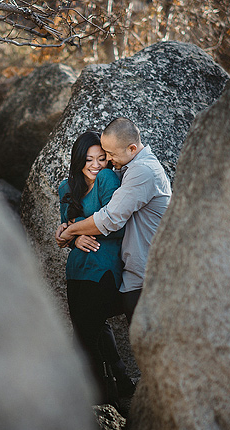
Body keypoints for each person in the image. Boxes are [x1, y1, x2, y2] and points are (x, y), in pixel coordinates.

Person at [56, 117, 171, 323]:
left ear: (132, 148)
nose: (107, 160)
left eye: (109, 154)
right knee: (91, 324)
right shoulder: (128, 167)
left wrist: (70, 232)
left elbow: (109, 219)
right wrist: (70, 229)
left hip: (148, 276)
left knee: (147, 347)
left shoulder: (142, 172)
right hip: (133, 276)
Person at [58, 131, 136, 409]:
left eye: (101, 159)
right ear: (78, 161)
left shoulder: (106, 179)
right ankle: (122, 383)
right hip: (76, 270)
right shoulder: (65, 187)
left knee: (87, 340)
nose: (95, 165)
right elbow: (65, 235)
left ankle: (105, 403)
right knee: (85, 330)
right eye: (88, 159)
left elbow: (115, 226)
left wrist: (74, 228)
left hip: (103, 268)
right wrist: (75, 236)